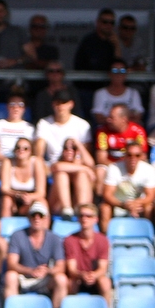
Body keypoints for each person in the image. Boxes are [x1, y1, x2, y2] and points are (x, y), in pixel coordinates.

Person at [34, 89, 94, 219]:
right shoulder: (44, 123)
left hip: (76, 166)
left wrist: (78, 145)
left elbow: (89, 161)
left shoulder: (82, 125)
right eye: (57, 103)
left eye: (63, 102)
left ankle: (82, 211)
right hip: (55, 166)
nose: (60, 106)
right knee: (61, 173)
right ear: (53, 105)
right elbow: (39, 153)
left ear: (71, 104)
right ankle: (66, 209)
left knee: (82, 174)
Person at [2, 200, 68, 308]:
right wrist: (30, 271)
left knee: (61, 279)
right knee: (10, 276)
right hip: (23, 276)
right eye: (33, 215)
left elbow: (61, 266)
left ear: (46, 218)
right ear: (28, 217)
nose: (37, 218)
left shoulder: (54, 238)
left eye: (40, 215)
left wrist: (47, 271)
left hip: (44, 277)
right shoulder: (17, 235)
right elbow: (11, 263)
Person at [63, 203, 113, 308]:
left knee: (105, 282)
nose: (84, 219)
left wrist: (93, 275)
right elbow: (71, 269)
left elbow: (102, 268)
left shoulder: (103, 240)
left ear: (96, 219)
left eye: (88, 216)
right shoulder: (70, 240)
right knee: (71, 282)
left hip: (95, 278)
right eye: (81, 216)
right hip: (78, 277)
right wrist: (82, 275)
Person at [100, 139, 155, 231]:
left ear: (142, 156)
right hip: (118, 204)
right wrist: (122, 204)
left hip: (140, 205)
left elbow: (150, 196)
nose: (133, 158)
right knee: (104, 208)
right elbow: (107, 194)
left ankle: (148, 235)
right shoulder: (114, 168)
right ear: (125, 156)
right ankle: (106, 239)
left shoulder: (148, 170)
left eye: (137, 155)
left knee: (149, 207)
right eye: (129, 155)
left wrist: (136, 204)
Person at [95, 104, 149, 191]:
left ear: (123, 119)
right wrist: (119, 167)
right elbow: (101, 158)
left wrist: (128, 166)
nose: (108, 119)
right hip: (111, 165)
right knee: (100, 171)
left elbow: (142, 156)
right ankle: (102, 200)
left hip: (133, 164)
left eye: (112, 117)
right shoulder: (103, 132)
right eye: (108, 116)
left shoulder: (138, 131)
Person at [0, 87, 34, 177]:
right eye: (12, 104)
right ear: (7, 106)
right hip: (2, 162)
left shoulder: (30, 128)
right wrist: (9, 161)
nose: (16, 108)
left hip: (23, 162)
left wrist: (20, 161)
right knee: (7, 167)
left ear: (24, 108)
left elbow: (32, 151)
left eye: (20, 104)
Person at [0, 137, 47, 218]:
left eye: (25, 148)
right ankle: (5, 228)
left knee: (42, 202)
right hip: (13, 197)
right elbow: (4, 188)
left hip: (31, 198)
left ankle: (44, 229)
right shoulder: (8, 162)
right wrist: (17, 195)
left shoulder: (36, 162)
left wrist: (29, 197)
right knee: (6, 200)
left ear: (30, 151)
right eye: (18, 147)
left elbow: (41, 192)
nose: (21, 150)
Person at [91, 59, 144, 126]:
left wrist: (117, 123)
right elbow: (99, 118)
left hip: (129, 130)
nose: (118, 74)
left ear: (126, 74)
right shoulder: (100, 93)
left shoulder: (133, 93)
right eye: (115, 70)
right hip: (106, 130)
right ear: (109, 73)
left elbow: (138, 117)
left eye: (122, 71)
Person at [75, 8, 121, 74]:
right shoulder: (88, 41)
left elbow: (118, 66)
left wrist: (117, 46)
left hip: (109, 82)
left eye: (112, 23)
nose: (109, 25)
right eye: (105, 22)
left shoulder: (113, 42)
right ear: (98, 22)